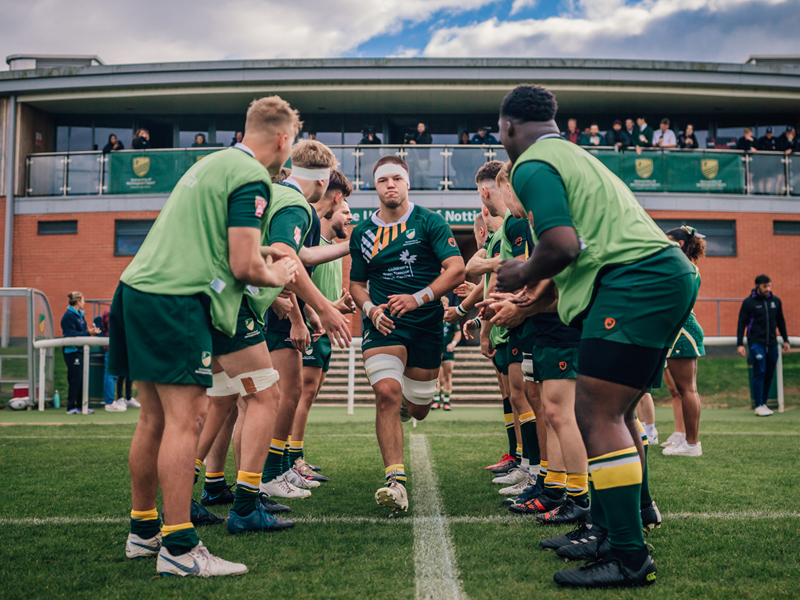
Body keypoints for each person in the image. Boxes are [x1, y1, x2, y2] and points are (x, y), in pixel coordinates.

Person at [496, 84, 697, 587]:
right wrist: (530, 301)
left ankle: (630, 557)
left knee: (596, 412)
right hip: (658, 275)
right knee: (620, 411)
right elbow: (580, 253)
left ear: (507, 128)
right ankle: (613, 527)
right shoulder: (574, 155)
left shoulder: (533, 163)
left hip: (638, 278)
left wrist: (520, 272)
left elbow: (561, 244)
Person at [109, 95, 305, 577]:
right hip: (176, 300)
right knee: (186, 420)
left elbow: (224, 246)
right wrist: (279, 274)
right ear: (283, 139)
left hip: (136, 289)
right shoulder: (252, 176)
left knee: (153, 419)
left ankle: (143, 530)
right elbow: (244, 264)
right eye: (292, 145)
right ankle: (179, 548)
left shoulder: (213, 162)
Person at [349, 155, 465, 515]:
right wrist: (370, 310)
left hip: (427, 325)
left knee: (419, 409)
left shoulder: (429, 221)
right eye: (383, 180)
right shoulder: (362, 233)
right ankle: (395, 482)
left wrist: (418, 298)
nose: (390, 185)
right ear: (375, 186)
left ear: (408, 183)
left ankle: (404, 408)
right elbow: (356, 284)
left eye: (397, 178)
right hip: (384, 326)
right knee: (386, 392)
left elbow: (457, 269)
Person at [259, 141, 350, 500]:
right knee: (264, 399)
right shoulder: (296, 203)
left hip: (243, 304)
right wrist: (314, 311)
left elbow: (301, 254)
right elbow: (288, 261)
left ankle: (244, 482)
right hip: (249, 307)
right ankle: (265, 478)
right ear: (325, 181)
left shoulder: (277, 194)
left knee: (234, 403)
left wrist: (311, 311)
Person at [292, 175, 355, 475]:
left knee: (310, 393)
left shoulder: (329, 248)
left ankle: (295, 454)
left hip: (322, 327)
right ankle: (292, 459)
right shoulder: (310, 237)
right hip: (306, 326)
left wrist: (336, 306)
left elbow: (320, 295)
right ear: (333, 202)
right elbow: (300, 287)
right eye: (346, 211)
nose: (350, 217)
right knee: (302, 393)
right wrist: (322, 310)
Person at [660, 226, 706, 456]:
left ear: (678, 245)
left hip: (683, 331)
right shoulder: (682, 266)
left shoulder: (684, 268)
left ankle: (691, 443)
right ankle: (686, 439)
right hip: (680, 330)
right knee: (682, 389)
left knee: (687, 389)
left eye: (666, 241)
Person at [737, 274, 791, 416]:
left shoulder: (776, 301)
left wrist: (786, 340)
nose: (767, 289)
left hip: (772, 343)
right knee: (759, 371)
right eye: (764, 286)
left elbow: (781, 321)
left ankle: (764, 403)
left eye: (769, 286)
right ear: (758, 286)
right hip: (756, 343)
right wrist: (739, 343)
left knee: (769, 373)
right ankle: (758, 404)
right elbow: (742, 322)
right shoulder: (749, 303)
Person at [61, 292, 100, 414]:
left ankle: (81, 406)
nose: (84, 302)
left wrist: (90, 331)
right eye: (83, 300)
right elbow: (71, 335)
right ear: (78, 301)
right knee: (75, 378)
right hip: (72, 351)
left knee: (80, 378)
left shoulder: (80, 315)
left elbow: (82, 331)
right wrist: (88, 333)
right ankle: (71, 407)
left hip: (80, 350)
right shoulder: (68, 316)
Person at [432, 294, 461, 411]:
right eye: (441, 305)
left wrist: (453, 344)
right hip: (436, 350)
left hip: (448, 350)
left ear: (448, 305)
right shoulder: (434, 318)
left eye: (445, 305)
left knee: (448, 376)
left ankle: (447, 402)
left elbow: (458, 333)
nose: (443, 307)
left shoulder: (452, 318)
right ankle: (436, 400)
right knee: (438, 377)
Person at [100, 307, 127, 412]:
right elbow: (114, 331)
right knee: (110, 374)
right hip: (112, 347)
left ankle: (110, 401)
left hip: (114, 346)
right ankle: (109, 402)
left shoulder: (114, 311)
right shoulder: (110, 312)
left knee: (112, 374)